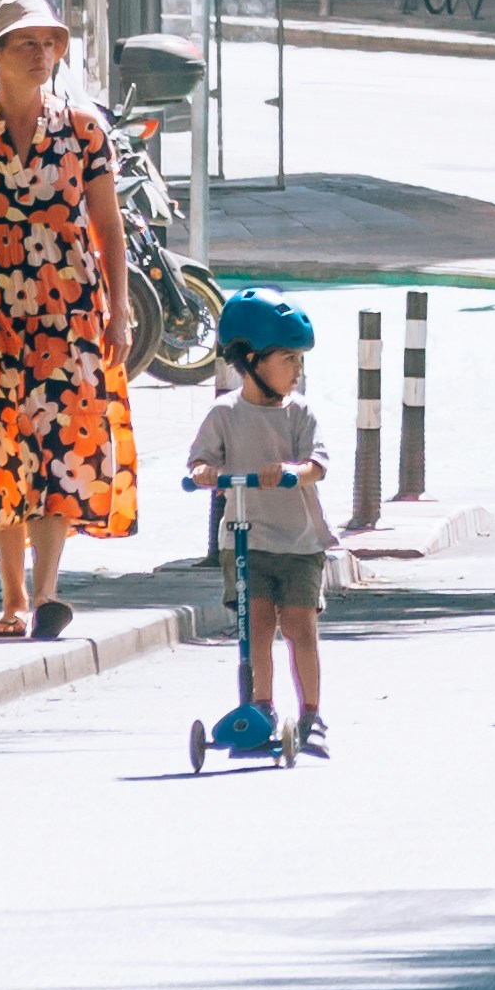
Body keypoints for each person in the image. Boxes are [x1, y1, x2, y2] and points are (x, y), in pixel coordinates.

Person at [0, 0, 137, 640]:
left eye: (49, 43)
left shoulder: (83, 128)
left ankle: (47, 593)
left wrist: (120, 306)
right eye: (26, 45)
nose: (42, 54)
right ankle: (11, 597)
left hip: (67, 310)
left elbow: (108, 226)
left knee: (61, 443)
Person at [187, 290, 333, 753]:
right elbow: (200, 461)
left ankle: (312, 714)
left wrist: (292, 472)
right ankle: (261, 708)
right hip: (244, 540)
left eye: (299, 359)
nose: (297, 369)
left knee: (300, 628)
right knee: (256, 628)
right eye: (288, 358)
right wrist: (204, 474)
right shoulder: (224, 413)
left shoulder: (300, 413)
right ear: (251, 360)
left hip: (298, 542)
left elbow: (317, 464)